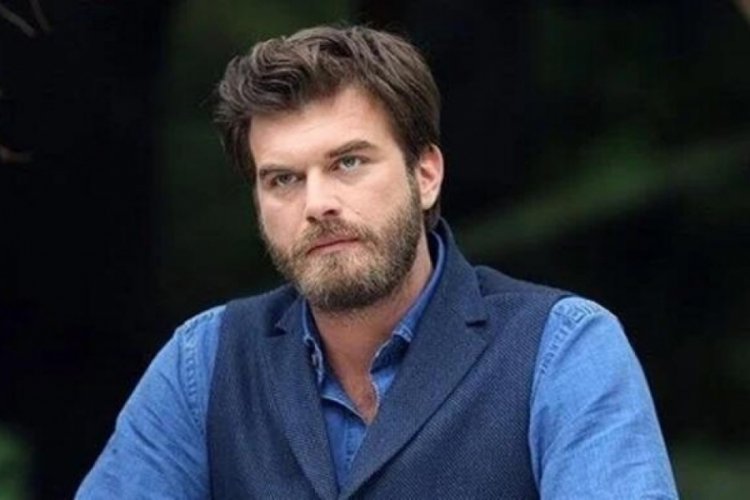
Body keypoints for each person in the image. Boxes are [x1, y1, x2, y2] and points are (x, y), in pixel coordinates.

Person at [77, 25, 678, 499]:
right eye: (283, 179)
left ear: (426, 174)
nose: (317, 204)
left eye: (348, 163)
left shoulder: (561, 349)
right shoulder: (205, 361)